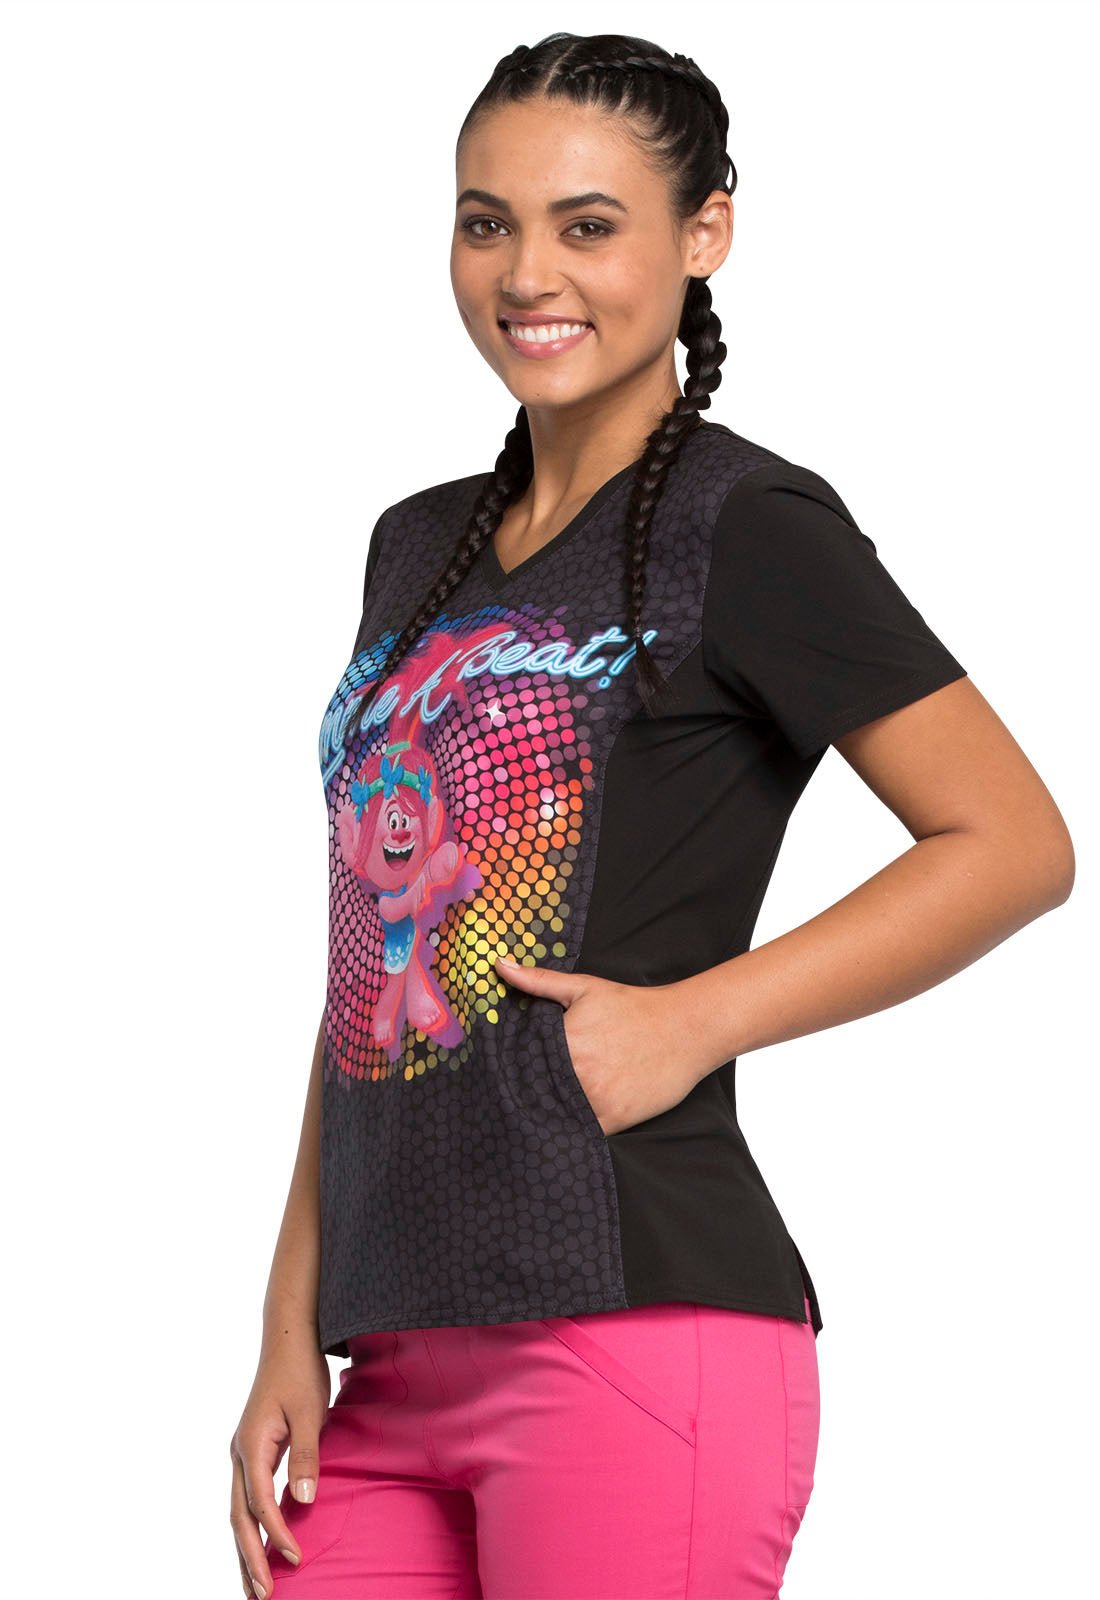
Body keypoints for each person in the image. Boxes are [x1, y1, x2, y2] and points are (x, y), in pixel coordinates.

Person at [228, 30, 1074, 1600]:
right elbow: (371, 962)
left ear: (705, 235)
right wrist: (292, 1316)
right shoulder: (414, 545)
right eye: (487, 222)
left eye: (588, 225)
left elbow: (1014, 843)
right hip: (390, 1356)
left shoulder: (747, 525)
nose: (527, 273)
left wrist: (694, 1022)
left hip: (632, 1323)